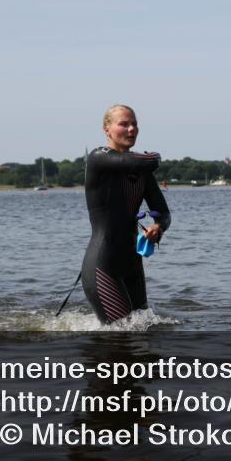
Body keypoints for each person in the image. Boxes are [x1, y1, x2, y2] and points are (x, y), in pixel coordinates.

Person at [80, 105, 170, 324]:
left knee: (144, 332)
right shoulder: (98, 159)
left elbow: (164, 213)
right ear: (107, 130)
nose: (132, 129)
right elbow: (147, 161)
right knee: (122, 335)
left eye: (135, 124)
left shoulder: (143, 174)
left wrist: (158, 227)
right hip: (103, 265)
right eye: (124, 124)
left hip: (132, 263)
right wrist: (155, 156)